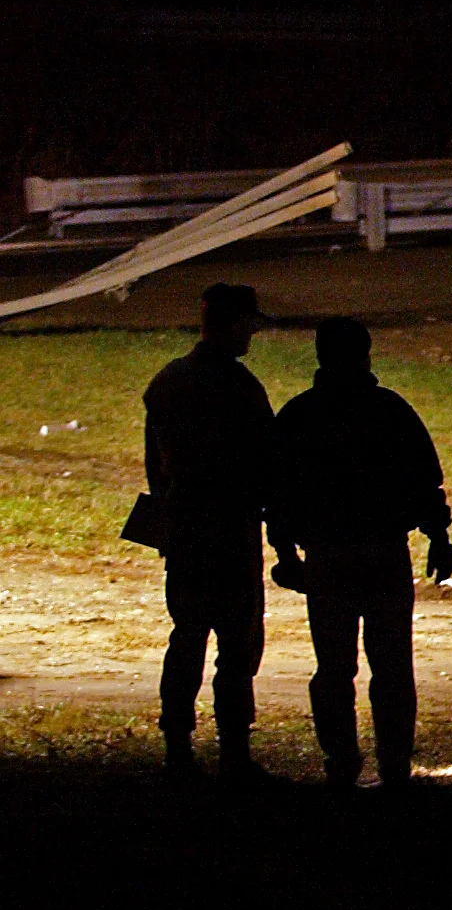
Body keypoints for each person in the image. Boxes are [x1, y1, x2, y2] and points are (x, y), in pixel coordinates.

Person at [266, 316, 452, 791]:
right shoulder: (390, 411)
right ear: (367, 355)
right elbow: (425, 482)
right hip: (385, 553)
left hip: (329, 557)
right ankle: (393, 762)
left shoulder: (299, 414)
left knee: (333, 666)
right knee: (392, 663)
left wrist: (287, 553)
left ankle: (341, 759)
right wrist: (438, 537)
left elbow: (278, 493)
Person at [143, 282, 277, 784]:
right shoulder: (240, 388)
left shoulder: (167, 383)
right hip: (231, 531)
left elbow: (156, 469)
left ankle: (178, 747)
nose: (251, 336)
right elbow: (267, 464)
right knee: (238, 646)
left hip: (185, 531)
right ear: (232, 323)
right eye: (247, 325)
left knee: (187, 639)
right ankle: (234, 754)